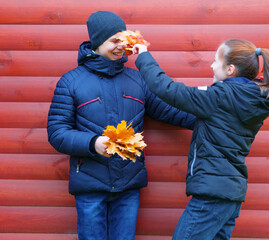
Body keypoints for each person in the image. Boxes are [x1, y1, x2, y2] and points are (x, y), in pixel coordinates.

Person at [47, 11, 195, 240]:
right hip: (89, 185)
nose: (120, 46)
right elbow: (57, 132)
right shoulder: (70, 82)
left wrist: (210, 115)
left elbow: (169, 111)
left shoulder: (137, 79)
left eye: (123, 40)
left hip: (128, 184)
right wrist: (93, 143)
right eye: (113, 41)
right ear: (97, 42)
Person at [132, 39, 269, 240]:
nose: (212, 65)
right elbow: (201, 119)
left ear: (230, 69)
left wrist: (143, 55)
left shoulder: (219, 95)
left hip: (212, 197)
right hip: (230, 195)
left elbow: (167, 89)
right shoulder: (251, 99)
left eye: (216, 61)